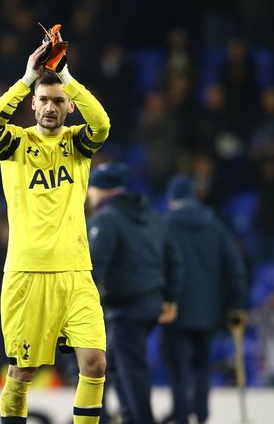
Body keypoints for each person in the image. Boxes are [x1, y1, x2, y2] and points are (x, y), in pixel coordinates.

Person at [0, 25, 110, 424]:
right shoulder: (16, 144)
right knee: (23, 373)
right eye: (43, 100)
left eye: (58, 101)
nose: (50, 107)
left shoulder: (77, 144)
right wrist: (26, 79)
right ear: (32, 105)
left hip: (75, 271)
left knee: (95, 364)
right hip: (27, 272)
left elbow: (102, 124)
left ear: (68, 106)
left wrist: (67, 77)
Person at [86, 163, 182, 424]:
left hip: (125, 307)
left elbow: (93, 267)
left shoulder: (106, 219)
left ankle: (141, 419)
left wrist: (80, 304)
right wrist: (170, 296)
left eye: (92, 188)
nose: (89, 195)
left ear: (103, 191)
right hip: (150, 302)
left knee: (131, 370)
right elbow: (173, 258)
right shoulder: (151, 215)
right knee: (116, 364)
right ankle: (132, 418)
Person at [161, 175, 247, 424]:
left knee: (178, 369)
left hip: (174, 309)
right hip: (209, 312)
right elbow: (236, 268)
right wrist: (237, 304)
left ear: (171, 198)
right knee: (201, 365)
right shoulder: (214, 225)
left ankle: (181, 416)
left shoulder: (165, 224)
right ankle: (201, 415)